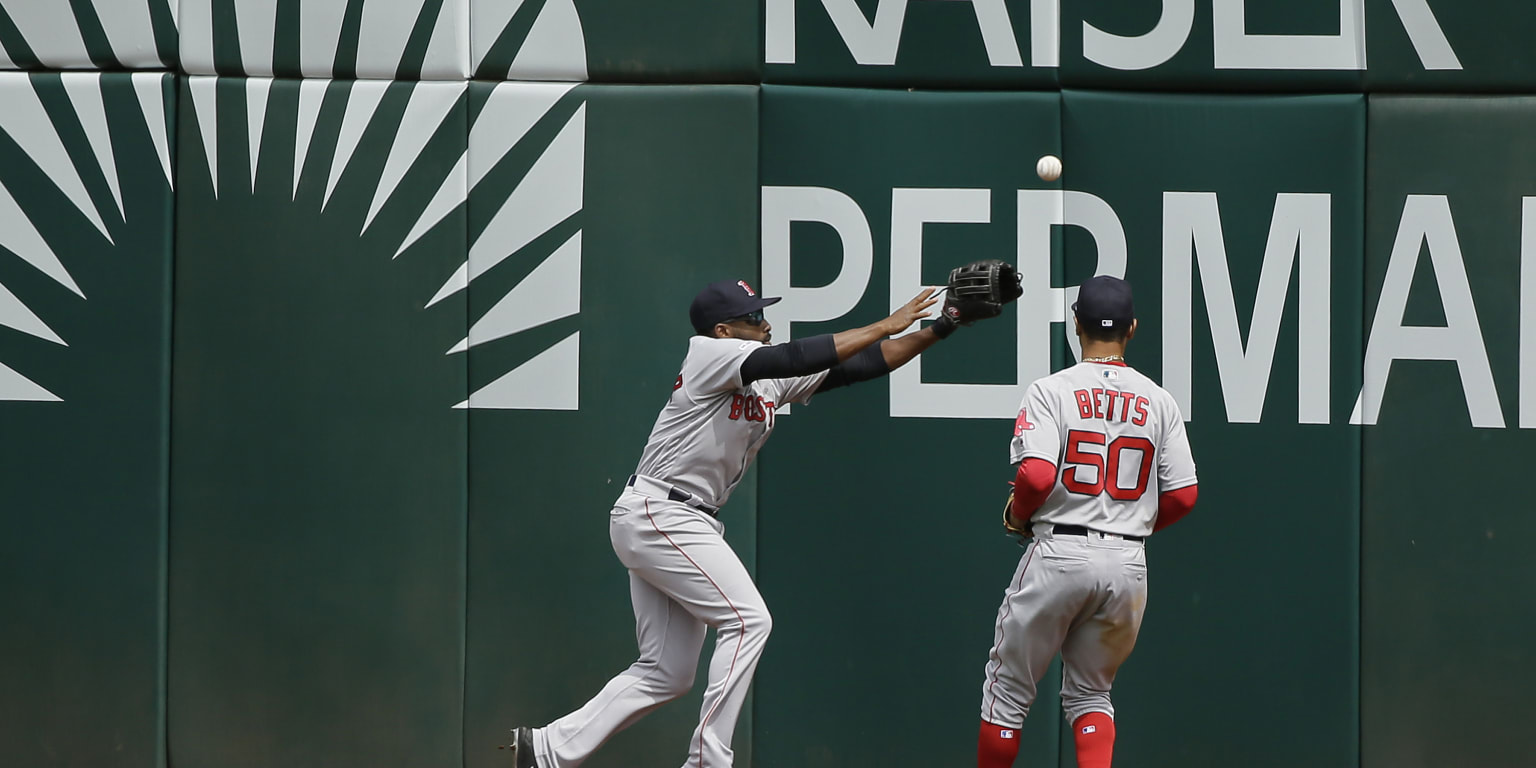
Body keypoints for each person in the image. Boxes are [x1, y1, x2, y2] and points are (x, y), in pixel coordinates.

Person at [508, 275, 999, 768]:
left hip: (673, 518)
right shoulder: (708, 354)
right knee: (748, 621)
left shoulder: (763, 378)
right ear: (723, 330)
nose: (765, 324)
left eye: (763, 313)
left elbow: (864, 364)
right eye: (753, 317)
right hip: (662, 511)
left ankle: (547, 749)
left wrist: (945, 324)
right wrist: (886, 322)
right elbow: (795, 356)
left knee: (666, 671)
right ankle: (707, 760)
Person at [976, 275, 1199, 768]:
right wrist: (1132, 524)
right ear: (1132, 328)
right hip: (1127, 563)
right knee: (1091, 695)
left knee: (1007, 693)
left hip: (1060, 551)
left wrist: (1019, 514)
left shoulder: (1052, 390)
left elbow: (1036, 476)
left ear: (1076, 323)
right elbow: (1184, 495)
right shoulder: (1159, 400)